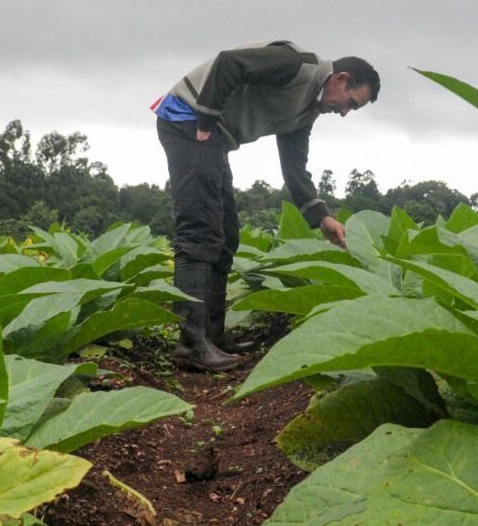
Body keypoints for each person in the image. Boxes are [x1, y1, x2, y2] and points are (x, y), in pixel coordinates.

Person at [154, 41, 380, 370]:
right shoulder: (294, 65)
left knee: (227, 236)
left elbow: (294, 168)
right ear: (341, 79)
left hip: (213, 136)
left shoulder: (307, 110)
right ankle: (191, 344)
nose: (345, 112)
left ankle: (212, 336)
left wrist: (322, 217)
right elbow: (229, 63)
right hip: (187, 118)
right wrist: (206, 121)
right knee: (199, 232)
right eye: (351, 103)